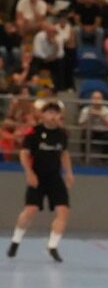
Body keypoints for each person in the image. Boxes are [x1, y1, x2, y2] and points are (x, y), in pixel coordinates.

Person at [7, 102, 73, 262]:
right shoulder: (34, 133)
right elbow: (24, 154)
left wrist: (69, 172)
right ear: (43, 115)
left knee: (63, 211)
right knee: (31, 210)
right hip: (37, 176)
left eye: (55, 113)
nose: (52, 116)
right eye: (49, 112)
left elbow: (64, 154)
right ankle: (15, 241)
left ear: (60, 116)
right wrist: (29, 173)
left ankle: (52, 246)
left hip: (55, 178)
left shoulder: (62, 134)